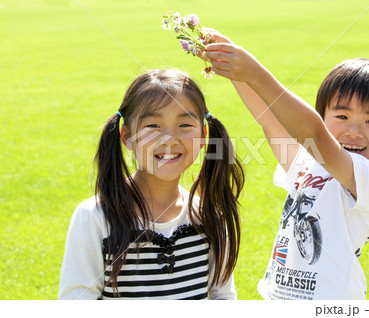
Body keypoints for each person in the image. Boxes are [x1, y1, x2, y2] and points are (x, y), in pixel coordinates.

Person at [203, 32, 369, 299]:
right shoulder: (308, 163)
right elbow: (270, 119)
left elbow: (314, 133)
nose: (354, 131)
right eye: (342, 116)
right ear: (324, 115)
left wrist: (255, 73)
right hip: (280, 299)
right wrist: (235, 70)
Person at [58, 69, 244, 300]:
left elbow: (222, 297)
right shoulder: (95, 217)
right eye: (152, 126)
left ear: (204, 134)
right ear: (126, 136)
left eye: (185, 125)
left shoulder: (208, 215)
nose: (169, 138)